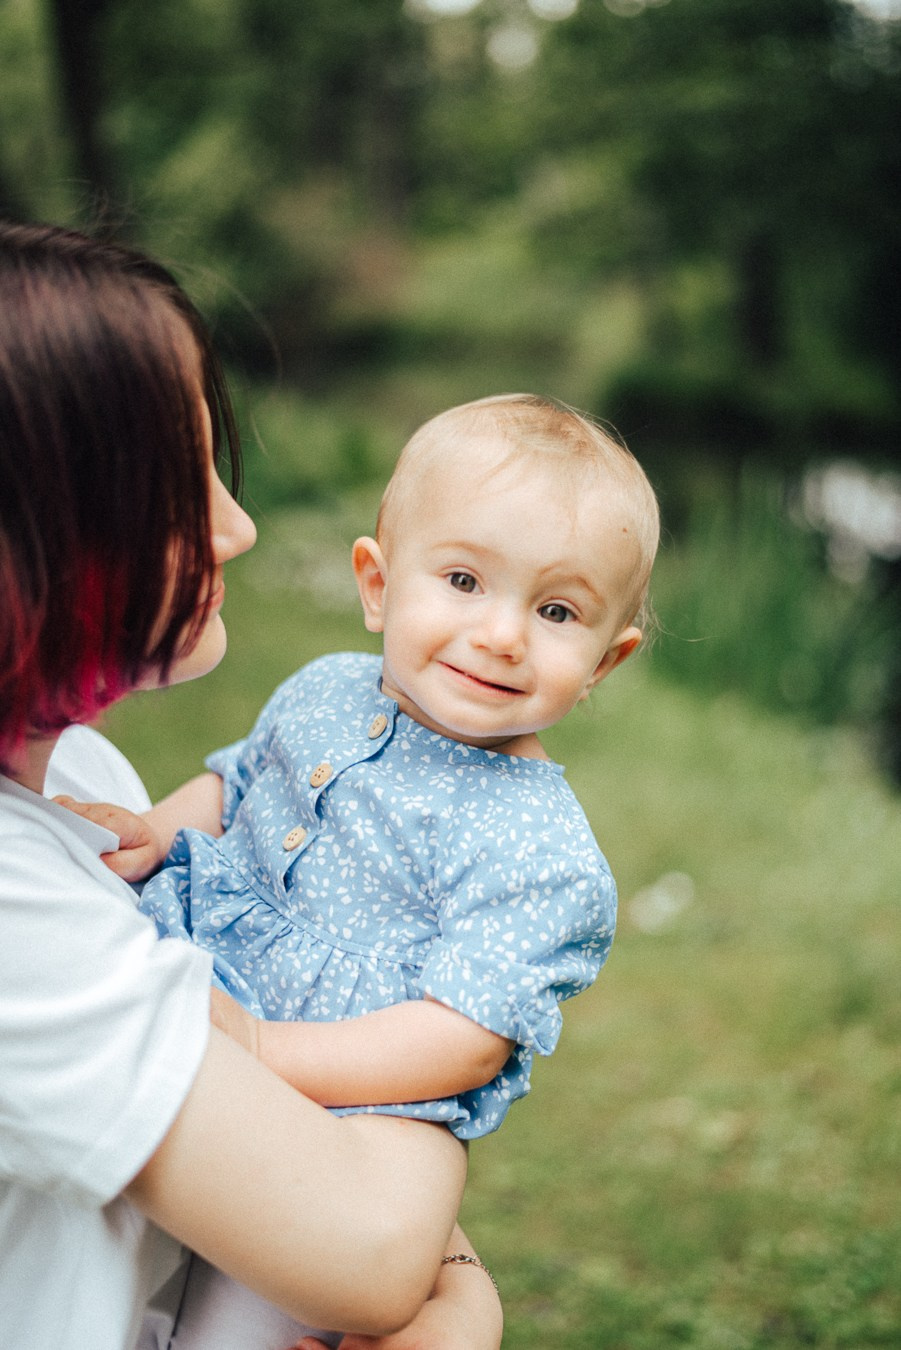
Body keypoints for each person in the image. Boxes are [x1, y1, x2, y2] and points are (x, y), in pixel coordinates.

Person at [0, 219, 502, 1350]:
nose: (239, 525)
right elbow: (369, 1256)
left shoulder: (81, 772)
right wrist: (464, 1040)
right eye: (173, 483)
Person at [66, 393, 660, 1348]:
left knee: (250, 1316)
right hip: (223, 1000)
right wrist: (149, 829)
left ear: (605, 659)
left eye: (555, 610)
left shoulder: (541, 853)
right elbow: (237, 788)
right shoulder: (325, 690)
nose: (502, 633)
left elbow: (461, 1041)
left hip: (363, 1098)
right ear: (378, 583)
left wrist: (264, 1056)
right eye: (464, 580)